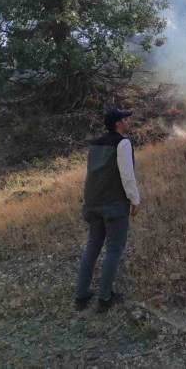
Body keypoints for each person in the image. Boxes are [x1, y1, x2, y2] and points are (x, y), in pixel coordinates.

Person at [74, 108, 140, 313]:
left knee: (92, 247)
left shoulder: (94, 145)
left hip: (92, 203)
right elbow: (127, 176)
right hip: (114, 205)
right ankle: (105, 298)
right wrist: (135, 200)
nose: (128, 121)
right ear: (118, 124)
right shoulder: (123, 143)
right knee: (114, 249)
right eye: (125, 118)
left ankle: (81, 296)